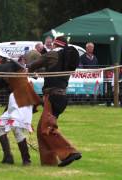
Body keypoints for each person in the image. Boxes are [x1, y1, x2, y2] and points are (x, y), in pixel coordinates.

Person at [28, 36, 82, 167]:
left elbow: (34, 64)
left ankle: (69, 152)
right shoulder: (66, 59)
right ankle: (48, 162)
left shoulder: (53, 54)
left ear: (54, 44)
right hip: (61, 96)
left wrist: (27, 69)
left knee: (47, 128)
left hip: (52, 96)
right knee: (42, 130)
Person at [0, 55, 40, 166]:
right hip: (14, 99)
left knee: (16, 127)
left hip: (23, 97)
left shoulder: (10, 65)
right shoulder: (5, 70)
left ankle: (26, 160)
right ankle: (8, 157)